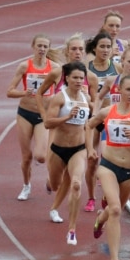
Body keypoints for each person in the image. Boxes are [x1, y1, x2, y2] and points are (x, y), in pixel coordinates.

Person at [85, 75, 130, 260]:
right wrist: (90, 148)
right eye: (129, 90)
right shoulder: (107, 112)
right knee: (115, 209)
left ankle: (100, 219)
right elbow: (89, 125)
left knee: (115, 210)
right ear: (120, 91)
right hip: (108, 166)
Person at [35, 33, 99, 222]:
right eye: (73, 49)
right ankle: (52, 181)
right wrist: (45, 115)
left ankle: (57, 209)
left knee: (73, 175)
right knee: (50, 170)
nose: (77, 53)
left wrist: (90, 116)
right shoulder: (58, 73)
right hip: (57, 127)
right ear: (67, 51)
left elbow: (94, 104)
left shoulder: (91, 78)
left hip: (79, 129)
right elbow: (39, 93)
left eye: (81, 49)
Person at [6, 34, 59, 201]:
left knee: (41, 157)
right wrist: (24, 92)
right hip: (25, 113)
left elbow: (62, 90)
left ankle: (48, 177)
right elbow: (9, 91)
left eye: (45, 46)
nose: (42, 49)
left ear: (49, 48)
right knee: (26, 156)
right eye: (39, 46)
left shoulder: (55, 68)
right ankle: (26, 185)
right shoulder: (24, 66)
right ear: (33, 47)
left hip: (43, 115)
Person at [44, 61, 90, 245]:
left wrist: (91, 149)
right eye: (75, 77)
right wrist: (68, 117)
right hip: (58, 149)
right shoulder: (59, 98)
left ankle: (72, 229)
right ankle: (52, 197)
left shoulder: (86, 98)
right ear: (67, 78)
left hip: (78, 149)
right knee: (56, 185)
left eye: (81, 78)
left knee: (76, 184)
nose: (79, 81)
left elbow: (88, 124)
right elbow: (48, 123)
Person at [83, 32, 121, 213]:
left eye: (108, 47)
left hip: (113, 120)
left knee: (108, 159)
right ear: (95, 48)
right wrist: (94, 110)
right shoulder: (87, 67)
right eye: (102, 47)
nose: (105, 50)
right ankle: (91, 197)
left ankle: (108, 195)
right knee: (92, 160)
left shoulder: (118, 68)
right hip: (93, 117)